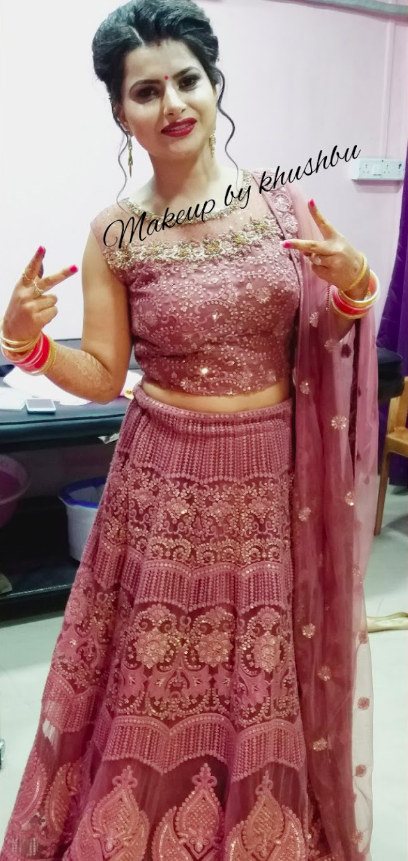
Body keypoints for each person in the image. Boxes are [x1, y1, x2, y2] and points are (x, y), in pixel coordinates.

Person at [0, 1, 379, 859]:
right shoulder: (116, 233)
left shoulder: (281, 207)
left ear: (214, 85)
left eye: (187, 80)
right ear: (120, 111)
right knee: (157, 673)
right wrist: (28, 344)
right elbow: (103, 373)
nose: (172, 102)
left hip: (271, 481)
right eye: (146, 90)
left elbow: (331, 331)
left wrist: (356, 282)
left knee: (259, 672)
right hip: (163, 485)